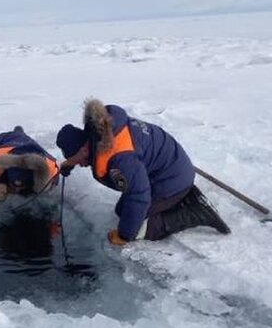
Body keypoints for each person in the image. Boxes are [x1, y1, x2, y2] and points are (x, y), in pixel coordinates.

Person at [55, 98, 230, 245]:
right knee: (122, 212)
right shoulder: (103, 131)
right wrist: (69, 163)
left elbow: (139, 195)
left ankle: (195, 213)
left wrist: (124, 236)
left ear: (84, 149)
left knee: (140, 229)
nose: (81, 165)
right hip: (167, 168)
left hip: (172, 177)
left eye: (78, 161)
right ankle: (179, 199)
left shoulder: (119, 158)